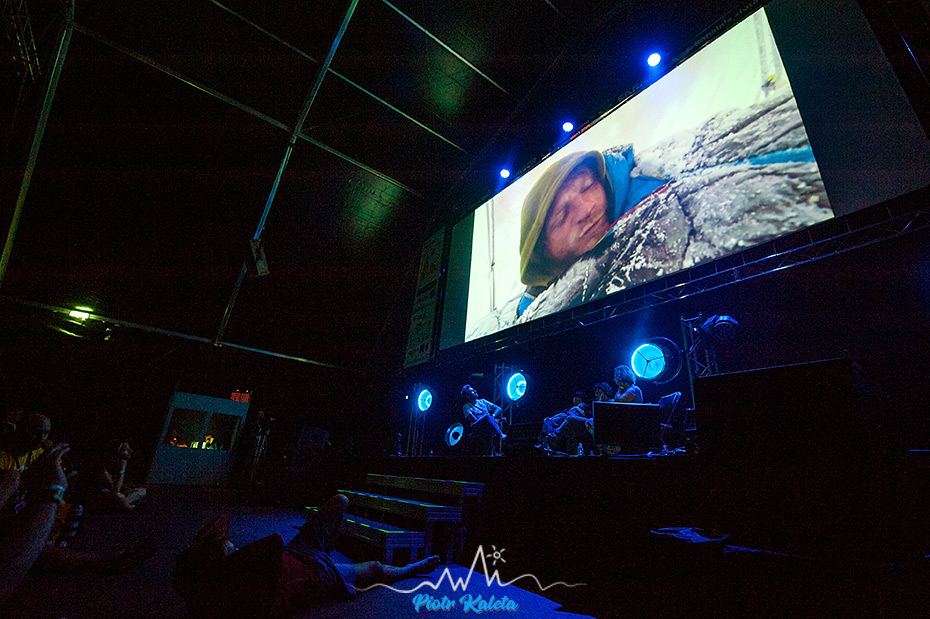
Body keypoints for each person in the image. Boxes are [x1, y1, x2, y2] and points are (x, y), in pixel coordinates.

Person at [173, 494, 440, 618]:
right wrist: (230, 557)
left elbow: (220, 524)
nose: (233, 546)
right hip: (319, 574)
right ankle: (413, 568)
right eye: (228, 548)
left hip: (298, 550)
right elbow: (273, 543)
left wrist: (220, 551)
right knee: (376, 569)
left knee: (340, 501)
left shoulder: (230, 575)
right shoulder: (252, 600)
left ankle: (327, 548)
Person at [517, 150, 667, 316]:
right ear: (545, 250)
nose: (586, 209)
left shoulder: (655, 199)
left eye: (587, 186)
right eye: (562, 214)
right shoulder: (533, 306)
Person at [86, 440, 147, 512]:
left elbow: (123, 486)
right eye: (125, 449)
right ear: (118, 452)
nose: (130, 451)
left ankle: (124, 504)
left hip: (115, 493)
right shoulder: (104, 468)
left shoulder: (119, 463)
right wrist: (123, 467)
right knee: (118, 496)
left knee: (142, 491)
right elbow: (116, 488)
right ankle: (130, 507)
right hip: (104, 494)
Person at [460, 385, 506, 455]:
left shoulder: (483, 401)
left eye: (474, 389)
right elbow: (473, 420)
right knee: (488, 418)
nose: (475, 391)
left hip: (488, 422)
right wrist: (488, 419)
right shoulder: (466, 406)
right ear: (467, 396)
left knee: (503, 420)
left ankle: (495, 452)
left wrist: (492, 417)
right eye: (472, 391)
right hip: (477, 427)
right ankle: (500, 434)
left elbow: (498, 409)